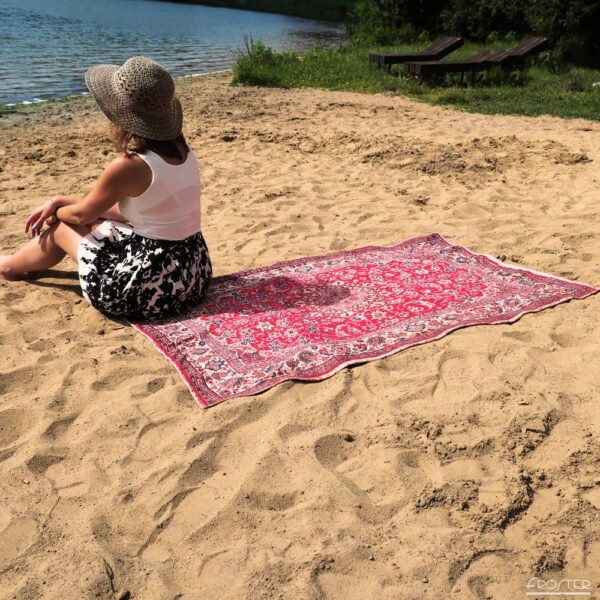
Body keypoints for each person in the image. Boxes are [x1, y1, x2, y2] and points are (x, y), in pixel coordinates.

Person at [0, 56, 212, 318]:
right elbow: (129, 212)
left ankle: (8, 267)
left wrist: (57, 214)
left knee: (63, 228)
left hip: (148, 289)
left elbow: (80, 216)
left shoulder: (130, 165)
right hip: (192, 274)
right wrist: (60, 201)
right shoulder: (184, 153)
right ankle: (21, 262)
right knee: (97, 223)